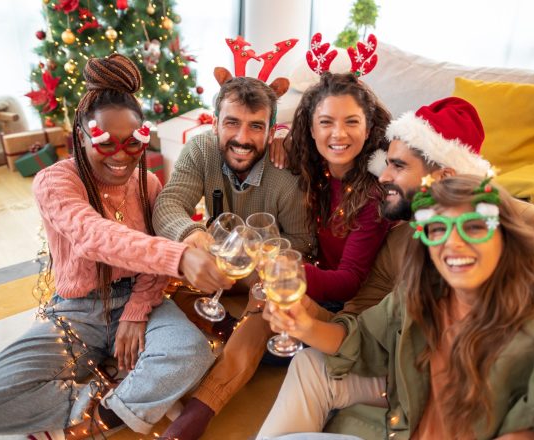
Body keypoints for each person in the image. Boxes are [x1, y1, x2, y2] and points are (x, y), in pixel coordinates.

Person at [0, 54, 232, 440]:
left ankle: (103, 413)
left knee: (192, 353)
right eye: (105, 142)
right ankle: (102, 406)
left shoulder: (149, 183)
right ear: (81, 136)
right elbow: (94, 236)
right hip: (78, 310)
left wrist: (137, 309)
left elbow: (151, 249)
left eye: (133, 141)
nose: (121, 155)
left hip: (145, 300)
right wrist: (181, 255)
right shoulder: (54, 182)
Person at [260, 174, 534, 438]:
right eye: (437, 230)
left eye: (474, 227)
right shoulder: (420, 299)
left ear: (506, 240)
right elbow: (368, 342)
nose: (453, 244)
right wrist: (304, 326)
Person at [281, 96, 534, 377]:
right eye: (387, 163)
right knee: (309, 368)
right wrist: (306, 317)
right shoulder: (404, 241)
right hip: (415, 393)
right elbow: (360, 319)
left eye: (398, 166)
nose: (383, 177)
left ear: (444, 175)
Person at [158, 71, 391, 439]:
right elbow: (169, 204)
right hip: (272, 270)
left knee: (266, 307)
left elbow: (326, 263)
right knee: (172, 276)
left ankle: (199, 411)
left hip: (323, 293)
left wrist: (275, 268)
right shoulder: (304, 163)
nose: (242, 137)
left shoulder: (353, 190)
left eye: (257, 127)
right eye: (326, 122)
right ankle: (208, 338)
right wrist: (194, 237)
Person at [288, 72, 391, 304]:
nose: (338, 133)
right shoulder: (312, 166)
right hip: (316, 282)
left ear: (368, 129)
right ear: (312, 130)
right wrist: (278, 141)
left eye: (351, 121)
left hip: (351, 304)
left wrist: (286, 268)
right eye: (326, 122)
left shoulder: (375, 193)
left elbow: (349, 282)